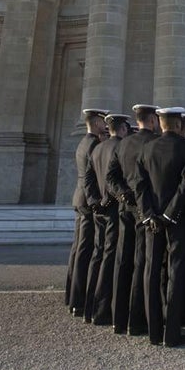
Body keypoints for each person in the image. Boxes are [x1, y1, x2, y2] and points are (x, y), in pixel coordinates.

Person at [135, 107, 185, 347]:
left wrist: (149, 214)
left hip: (152, 220)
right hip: (177, 219)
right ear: (179, 125)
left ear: (160, 124)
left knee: (151, 272)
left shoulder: (146, 148)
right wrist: (170, 214)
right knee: (176, 272)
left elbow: (140, 185)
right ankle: (172, 332)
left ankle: (154, 332)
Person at [106, 104, 158, 335]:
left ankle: (118, 318)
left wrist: (122, 194)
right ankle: (137, 320)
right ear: (153, 119)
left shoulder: (123, 143)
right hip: (146, 209)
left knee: (122, 260)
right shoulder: (155, 143)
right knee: (142, 262)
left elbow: (111, 177)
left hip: (125, 208)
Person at [86, 112, 129, 325]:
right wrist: (112, 200)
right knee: (112, 258)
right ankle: (104, 310)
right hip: (114, 209)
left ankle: (90, 307)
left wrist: (96, 201)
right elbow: (116, 179)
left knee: (98, 255)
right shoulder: (121, 147)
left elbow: (89, 179)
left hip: (100, 209)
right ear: (123, 129)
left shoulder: (97, 148)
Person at [68, 108, 107, 318]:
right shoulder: (94, 144)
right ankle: (80, 299)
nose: (105, 124)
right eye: (103, 121)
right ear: (98, 122)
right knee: (86, 250)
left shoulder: (84, 141)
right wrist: (97, 201)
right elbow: (93, 176)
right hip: (88, 200)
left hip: (80, 197)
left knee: (79, 249)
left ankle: (73, 296)